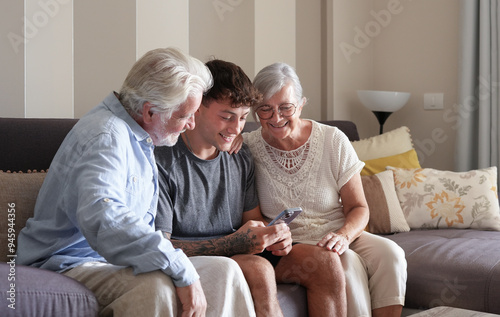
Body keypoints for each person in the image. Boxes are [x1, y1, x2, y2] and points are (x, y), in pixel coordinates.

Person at [16, 47, 256, 317]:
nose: (190, 124)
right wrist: (177, 265)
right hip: (68, 263)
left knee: (225, 271)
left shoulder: (140, 136)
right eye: (184, 115)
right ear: (150, 111)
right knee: (154, 285)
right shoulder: (106, 136)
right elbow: (105, 217)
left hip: (110, 261)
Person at [155, 59, 347, 317]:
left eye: (244, 118)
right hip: (198, 256)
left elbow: (253, 222)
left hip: (237, 251)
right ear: (197, 107)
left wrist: (274, 237)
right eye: (227, 117)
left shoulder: (240, 156)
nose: (236, 129)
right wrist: (233, 243)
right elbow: (158, 246)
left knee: (325, 263)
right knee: (259, 270)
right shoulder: (162, 160)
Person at [241, 62, 407, 317]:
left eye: (286, 107)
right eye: (265, 109)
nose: (276, 117)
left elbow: (359, 207)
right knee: (347, 264)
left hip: (336, 232)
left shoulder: (332, 139)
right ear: (255, 110)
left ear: (301, 103)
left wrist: (343, 236)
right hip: (290, 243)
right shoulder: (248, 148)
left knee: (391, 254)